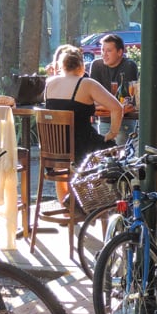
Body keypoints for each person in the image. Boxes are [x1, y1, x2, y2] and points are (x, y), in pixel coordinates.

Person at [43, 46, 123, 204]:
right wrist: (112, 133)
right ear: (82, 66)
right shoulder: (86, 83)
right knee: (114, 151)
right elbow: (117, 108)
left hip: (54, 150)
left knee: (66, 163)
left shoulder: (49, 83)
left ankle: (68, 206)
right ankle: (96, 203)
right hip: (82, 149)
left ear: (61, 66)